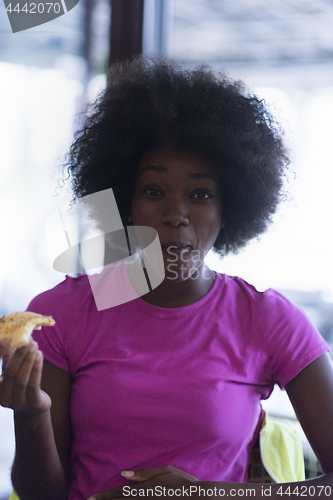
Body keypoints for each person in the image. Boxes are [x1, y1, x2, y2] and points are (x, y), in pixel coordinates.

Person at [0, 56, 333, 500]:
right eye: (153, 191)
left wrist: (208, 494)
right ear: (125, 201)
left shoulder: (270, 320)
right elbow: (42, 495)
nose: (175, 215)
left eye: (200, 195)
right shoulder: (63, 313)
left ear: (229, 208)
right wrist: (32, 414)